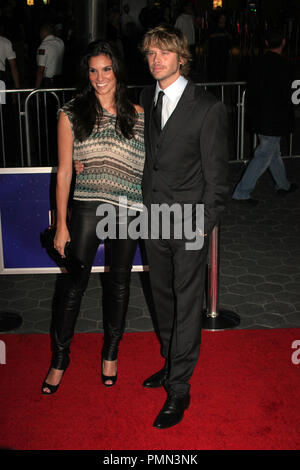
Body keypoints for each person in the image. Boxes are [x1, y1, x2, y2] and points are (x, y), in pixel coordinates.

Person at [41, 40, 145, 394]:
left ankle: (111, 352)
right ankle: (59, 357)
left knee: (119, 284)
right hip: (87, 205)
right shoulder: (71, 113)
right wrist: (61, 224)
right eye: (93, 70)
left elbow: (150, 166)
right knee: (73, 285)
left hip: (129, 209)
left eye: (106, 69)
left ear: (117, 70)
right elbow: (65, 173)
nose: (100, 77)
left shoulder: (139, 115)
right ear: (86, 74)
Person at [139, 24, 229, 429]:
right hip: (152, 219)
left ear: (181, 56)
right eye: (150, 54)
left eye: (163, 52)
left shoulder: (208, 106)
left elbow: (217, 178)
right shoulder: (147, 96)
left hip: (189, 223)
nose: (156, 59)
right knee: (163, 300)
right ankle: (170, 361)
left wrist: (204, 225)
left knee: (187, 303)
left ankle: (179, 387)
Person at [232, 29, 297, 204]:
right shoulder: (287, 65)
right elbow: (293, 93)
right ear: (283, 42)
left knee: (272, 152)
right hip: (276, 117)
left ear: (266, 43)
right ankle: (242, 192)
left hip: (258, 115)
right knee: (263, 155)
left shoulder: (255, 63)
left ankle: (283, 184)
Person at [35, 22, 65, 88]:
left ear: (43, 32)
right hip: (60, 80)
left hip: (48, 82)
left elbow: (40, 70)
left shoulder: (44, 46)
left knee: (47, 98)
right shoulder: (60, 42)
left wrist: (36, 89)